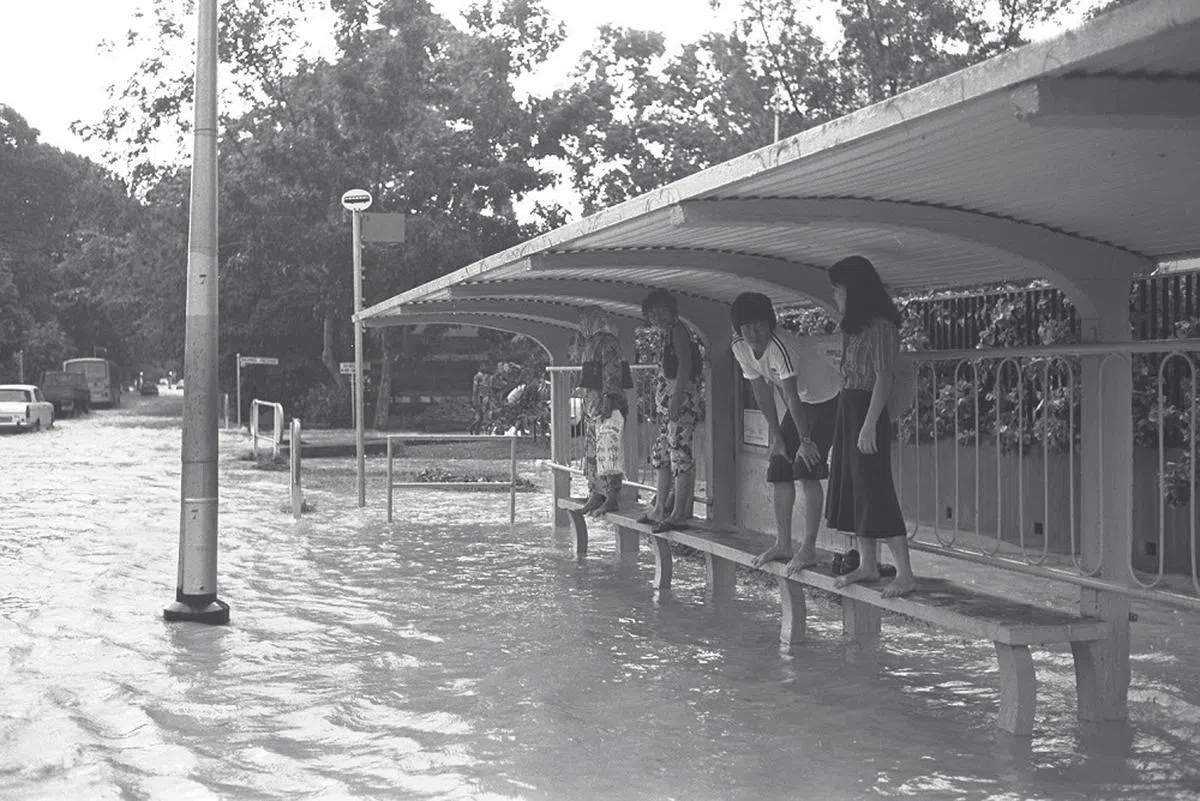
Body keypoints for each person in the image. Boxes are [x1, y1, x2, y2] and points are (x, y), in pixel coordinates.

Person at [731, 292, 842, 576]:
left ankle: (809, 547)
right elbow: (761, 390)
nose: (754, 333)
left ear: (771, 323)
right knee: (780, 466)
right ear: (739, 330)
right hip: (802, 402)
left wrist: (804, 442)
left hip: (827, 399)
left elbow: (790, 395)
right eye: (746, 327)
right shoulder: (740, 347)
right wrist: (778, 439)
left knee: (807, 467)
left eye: (759, 325)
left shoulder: (782, 345)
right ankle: (783, 543)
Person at [826, 255, 915, 598]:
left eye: (838, 289)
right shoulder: (853, 329)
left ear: (854, 290)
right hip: (850, 408)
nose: (836, 296)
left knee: (876, 489)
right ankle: (867, 563)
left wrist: (868, 425)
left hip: (866, 410)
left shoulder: (881, 328)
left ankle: (905, 573)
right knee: (855, 488)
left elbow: (884, 378)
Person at [638, 289, 703, 533]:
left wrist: (676, 401)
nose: (657, 317)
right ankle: (660, 507)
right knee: (662, 455)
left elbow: (685, 366)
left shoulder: (677, 331)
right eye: (652, 313)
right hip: (668, 408)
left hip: (681, 405)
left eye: (661, 311)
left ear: (671, 311)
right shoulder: (666, 334)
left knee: (680, 456)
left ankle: (678, 513)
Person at [577, 306, 629, 516]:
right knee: (593, 451)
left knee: (609, 450)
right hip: (592, 406)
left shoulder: (607, 342)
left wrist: (609, 398)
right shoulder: (591, 343)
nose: (581, 326)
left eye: (584, 321)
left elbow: (612, 372)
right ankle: (596, 491)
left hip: (604, 404)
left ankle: (612, 495)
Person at [469, 362, 495, 434]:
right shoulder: (478, 376)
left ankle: (476, 431)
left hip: (482, 397)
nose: (485, 368)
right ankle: (472, 428)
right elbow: (476, 388)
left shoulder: (484, 376)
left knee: (481, 417)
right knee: (480, 416)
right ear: (479, 367)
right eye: (483, 366)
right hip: (478, 398)